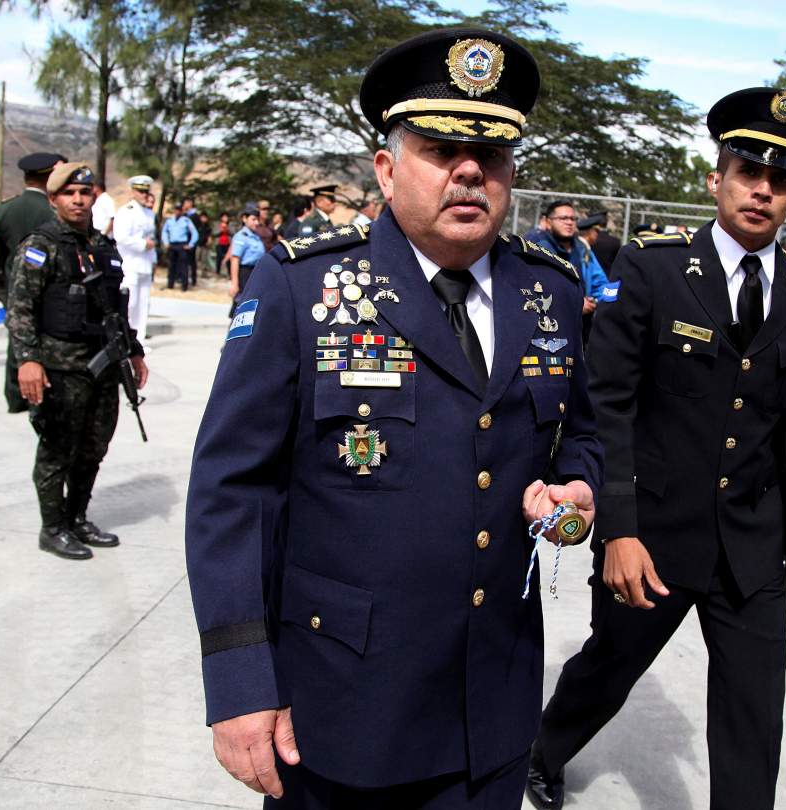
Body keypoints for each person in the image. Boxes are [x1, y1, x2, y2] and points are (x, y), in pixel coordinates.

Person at [186, 27, 603, 808]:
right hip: (343, 712)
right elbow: (232, 492)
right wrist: (240, 681)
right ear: (386, 167)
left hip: (494, 711)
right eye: (441, 148)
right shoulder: (301, 288)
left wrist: (576, 499)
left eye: (493, 154)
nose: (471, 169)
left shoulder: (545, 294)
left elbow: (579, 437)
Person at [527, 87, 786, 810]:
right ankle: (545, 746)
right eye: (747, 172)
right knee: (612, 664)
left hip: (753, 544)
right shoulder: (656, 269)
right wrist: (621, 530)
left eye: (782, 181)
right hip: (657, 536)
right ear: (717, 177)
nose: (762, 191)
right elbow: (610, 405)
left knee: (755, 711)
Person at [6, 162, 148, 560]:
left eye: (85, 193)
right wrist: (28, 362)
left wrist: (133, 350)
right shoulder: (41, 245)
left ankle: (77, 517)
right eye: (69, 193)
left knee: (93, 446)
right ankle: (52, 528)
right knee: (56, 449)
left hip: (102, 366)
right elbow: (20, 309)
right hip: (58, 367)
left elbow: (116, 308)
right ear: (53, 199)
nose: (78, 200)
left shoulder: (103, 247)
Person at [0, 152, 65, 411]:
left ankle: (15, 394)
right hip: (50, 289)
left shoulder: (5, 209)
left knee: (17, 338)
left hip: (12, 284)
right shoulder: (52, 212)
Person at [526, 201, 609, 344]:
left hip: (581, 327)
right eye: (563, 218)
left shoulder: (582, 248)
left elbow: (599, 281)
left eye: (572, 219)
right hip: (546, 327)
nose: (569, 223)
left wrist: (599, 300)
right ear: (548, 222)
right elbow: (535, 287)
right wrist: (574, 303)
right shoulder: (536, 246)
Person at [114, 176, 158, 339]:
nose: (144, 195)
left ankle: (139, 340)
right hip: (130, 263)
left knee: (143, 304)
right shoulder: (126, 212)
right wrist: (142, 244)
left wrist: (153, 260)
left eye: (146, 191)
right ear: (132, 191)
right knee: (130, 304)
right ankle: (126, 338)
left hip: (145, 264)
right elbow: (121, 237)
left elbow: (151, 238)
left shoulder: (149, 214)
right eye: (140, 191)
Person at [226, 205, 266, 313]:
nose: (256, 223)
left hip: (255, 273)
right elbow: (235, 260)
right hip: (245, 274)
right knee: (241, 308)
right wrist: (235, 283)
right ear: (244, 219)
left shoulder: (256, 236)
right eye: (253, 219)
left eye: (257, 220)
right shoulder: (241, 237)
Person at [162, 203, 199, 291]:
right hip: (172, 244)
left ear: (181, 211)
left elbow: (195, 233)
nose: (177, 211)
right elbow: (164, 232)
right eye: (176, 209)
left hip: (182, 245)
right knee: (171, 265)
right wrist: (166, 242)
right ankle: (170, 284)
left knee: (183, 266)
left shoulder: (186, 220)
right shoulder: (170, 220)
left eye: (179, 210)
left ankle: (184, 286)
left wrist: (191, 244)